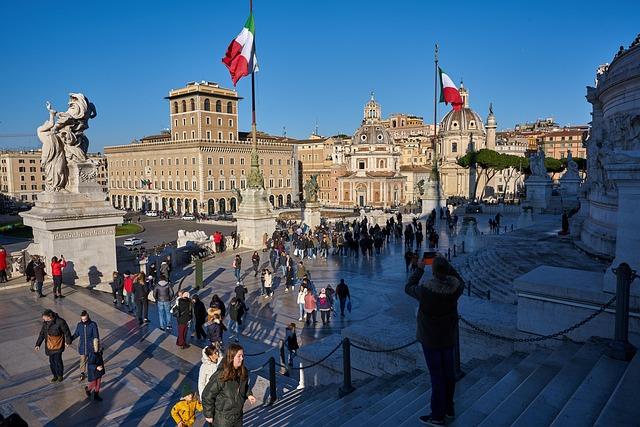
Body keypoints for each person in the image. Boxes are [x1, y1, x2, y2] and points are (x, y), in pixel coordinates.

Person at [405, 256, 464, 426]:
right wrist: (447, 266)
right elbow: (459, 279)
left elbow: (408, 287)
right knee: (449, 374)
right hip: (448, 336)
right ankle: (449, 409)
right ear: (446, 270)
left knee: (437, 376)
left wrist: (420, 268)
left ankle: (437, 416)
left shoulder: (426, 291)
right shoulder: (455, 289)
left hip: (430, 339)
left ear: (433, 271)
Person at [202, 343, 256, 426]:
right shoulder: (221, 375)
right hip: (222, 419)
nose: (242, 358)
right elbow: (207, 394)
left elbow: (244, 386)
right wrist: (208, 414)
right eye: (239, 356)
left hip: (238, 416)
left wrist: (249, 394)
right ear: (231, 357)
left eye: (242, 355)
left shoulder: (242, 371)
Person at [35, 309, 72, 382]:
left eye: (44, 317)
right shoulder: (45, 323)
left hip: (58, 344)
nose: (43, 318)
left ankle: (60, 375)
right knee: (52, 362)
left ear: (49, 317)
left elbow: (67, 332)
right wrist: (38, 344)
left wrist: (68, 341)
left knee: (58, 361)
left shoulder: (60, 321)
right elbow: (42, 333)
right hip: (49, 345)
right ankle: (55, 375)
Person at [71, 310, 100, 382]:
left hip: (91, 347)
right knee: (82, 360)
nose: (83, 321)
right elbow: (76, 334)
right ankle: (82, 373)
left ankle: (91, 372)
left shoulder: (93, 324)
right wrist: (70, 339)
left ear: (88, 317)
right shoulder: (79, 325)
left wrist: (96, 348)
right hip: (82, 347)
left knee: (91, 361)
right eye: (82, 319)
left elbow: (96, 336)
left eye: (85, 319)